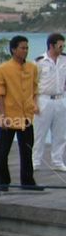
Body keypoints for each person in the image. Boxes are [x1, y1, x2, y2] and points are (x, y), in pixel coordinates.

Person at [0, 35, 40, 190]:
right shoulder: (3, 69)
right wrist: (3, 115)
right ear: (14, 49)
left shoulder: (32, 67)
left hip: (26, 116)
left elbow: (35, 89)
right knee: (3, 152)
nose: (25, 51)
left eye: (27, 48)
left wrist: (35, 105)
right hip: (9, 116)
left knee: (27, 151)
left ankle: (27, 182)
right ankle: (2, 183)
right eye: (22, 48)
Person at [31, 33, 66, 171]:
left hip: (60, 99)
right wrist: (33, 103)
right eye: (60, 45)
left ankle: (57, 160)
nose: (62, 47)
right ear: (51, 45)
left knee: (61, 133)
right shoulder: (39, 62)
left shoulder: (64, 60)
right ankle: (35, 161)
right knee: (39, 132)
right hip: (44, 99)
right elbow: (32, 84)